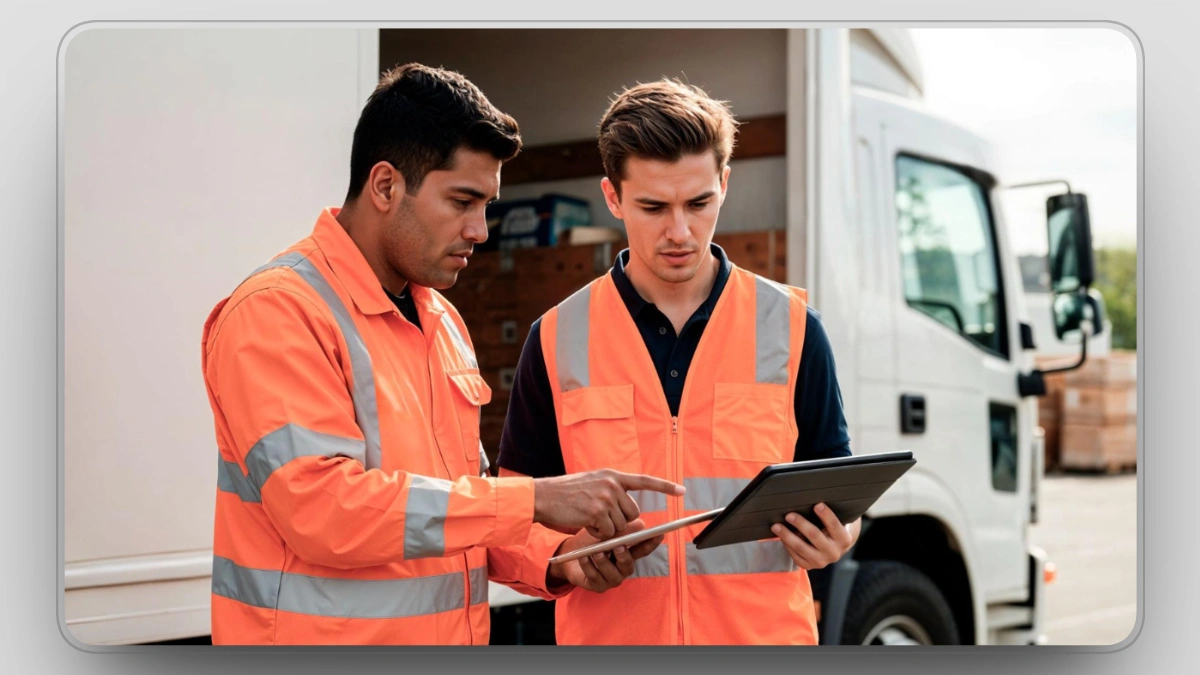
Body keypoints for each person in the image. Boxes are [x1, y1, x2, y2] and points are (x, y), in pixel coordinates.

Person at [201, 63, 681, 646]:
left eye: (487, 204)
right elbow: (323, 512)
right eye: (462, 201)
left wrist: (561, 556)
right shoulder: (278, 312)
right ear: (385, 186)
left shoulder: (441, 320)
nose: (481, 229)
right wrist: (534, 498)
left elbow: (462, 503)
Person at [496, 78, 860, 645]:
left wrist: (840, 536)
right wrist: (565, 557)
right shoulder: (555, 338)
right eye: (653, 207)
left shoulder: (792, 330)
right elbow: (510, 514)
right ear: (613, 197)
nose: (680, 232)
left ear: (725, 184)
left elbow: (838, 488)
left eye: (699, 203)